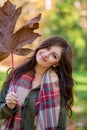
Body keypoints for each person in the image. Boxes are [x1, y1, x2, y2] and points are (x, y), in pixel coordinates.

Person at [0, 36, 74, 130]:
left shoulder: (58, 87)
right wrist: (8, 107)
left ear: (57, 63)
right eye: (47, 48)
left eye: (54, 55)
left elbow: (61, 125)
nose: (46, 54)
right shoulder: (16, 74)